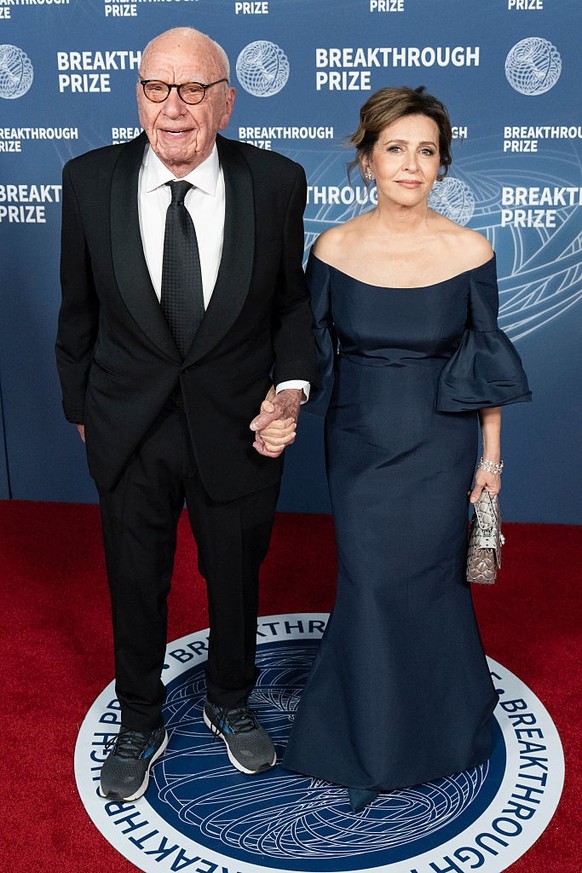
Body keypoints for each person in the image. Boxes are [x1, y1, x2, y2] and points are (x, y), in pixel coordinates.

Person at [56, 27, 316, 802]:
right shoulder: (87, 179)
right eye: (156, 88)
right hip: (128, 428)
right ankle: (139, 717)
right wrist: (83, 410)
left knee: (234, 577)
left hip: (236, 426)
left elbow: (291, 308)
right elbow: (78, 312)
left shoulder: (275, 182)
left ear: (225, 102)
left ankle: (230, 700)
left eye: (193, 90)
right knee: (135, 580)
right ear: (138, 96)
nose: (173, 108)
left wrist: (290, 390)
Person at [281, 86, 531, 813]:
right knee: (368, 583)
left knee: (428, 583)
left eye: (426, 151)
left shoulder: (470, 250)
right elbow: (306, 354)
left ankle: (439, 726)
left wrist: (490, 463)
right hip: (359, 443)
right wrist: (276, 405)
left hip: (440, 443)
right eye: (395, 149)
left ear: (442, 164)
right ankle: (368, 740)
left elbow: (485, 363)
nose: (411, 164)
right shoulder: (332, 248)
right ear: (367, 160)